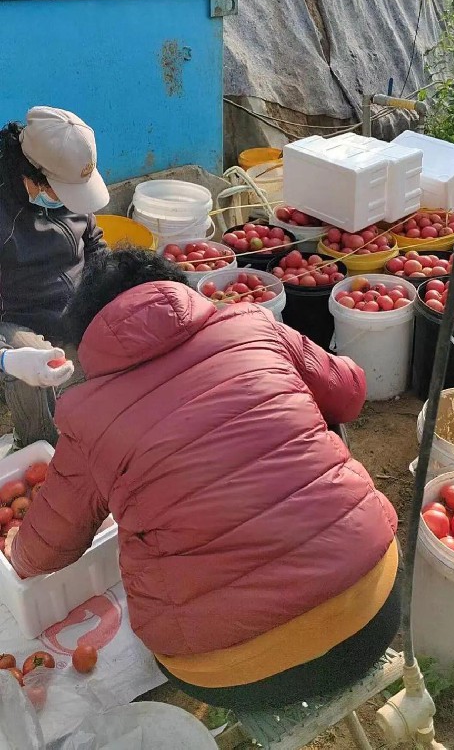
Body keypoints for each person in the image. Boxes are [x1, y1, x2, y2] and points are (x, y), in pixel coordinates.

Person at [9, 249, 399, 711]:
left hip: (231, 673)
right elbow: (350, 395)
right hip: (372, 612)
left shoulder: (87, 414)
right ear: (181, 289)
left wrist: (17, 544)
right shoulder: (254, 326)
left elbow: (46, 550)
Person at [0, 106, 109, 448]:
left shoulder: (66, 182)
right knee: (31, 361)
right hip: (18, 319)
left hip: (74, 308)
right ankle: (37, 446)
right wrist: (8, 357)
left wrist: (108, 291)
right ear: (35, 176)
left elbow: (94, 243)